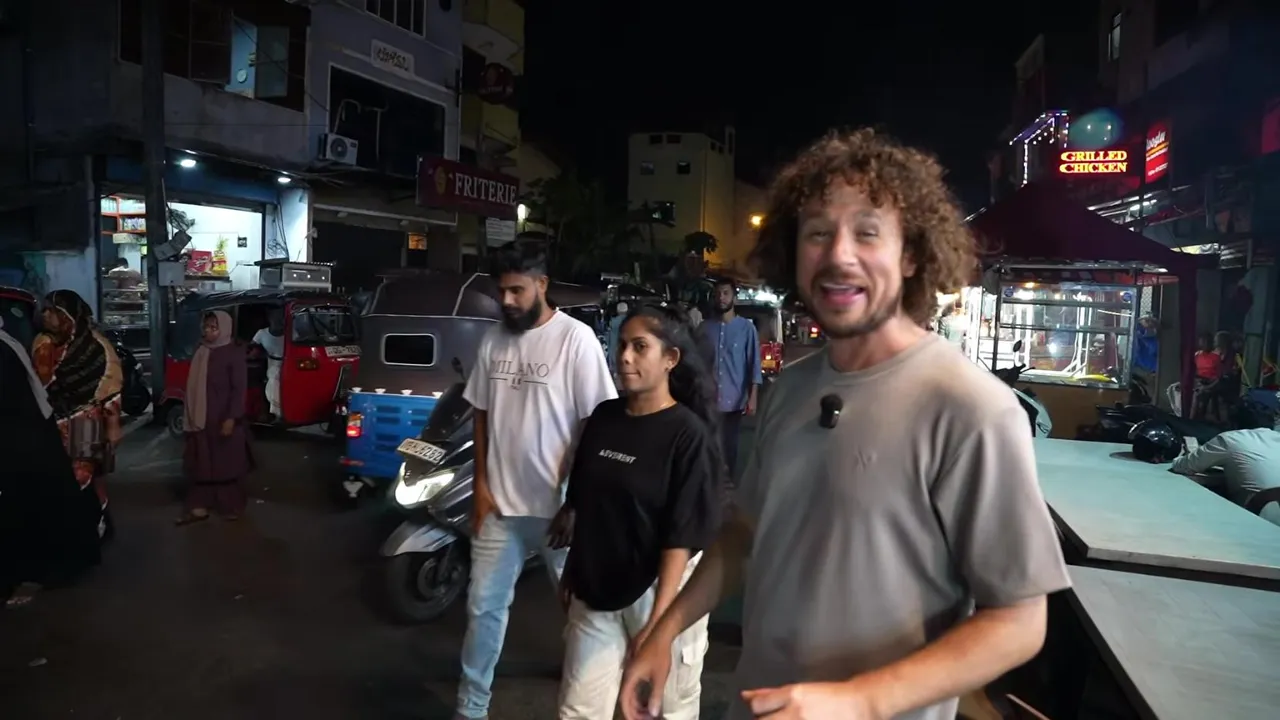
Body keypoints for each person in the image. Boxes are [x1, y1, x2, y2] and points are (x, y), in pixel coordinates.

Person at [620, 129, 1070, 720]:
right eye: (817, 233)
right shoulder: (791, 388)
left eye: (867, 232)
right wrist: (665, 632)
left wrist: (859, 699)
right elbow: (743, 535)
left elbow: (1019, 620)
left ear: (911, 255)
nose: (838, 255)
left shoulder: (972, 408)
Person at [454, 249, 616, 720]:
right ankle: (471, 707)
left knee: (582, 614)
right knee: (483, 609)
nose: (507, 300)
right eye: (501, 291)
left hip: (558, 511)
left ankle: (591, 702)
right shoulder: (494, 339)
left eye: (516, 290)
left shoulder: (575, 340)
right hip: (499, 507)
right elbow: (481, 412)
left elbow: (595, 424)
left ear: (542, 284)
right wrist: (481, 485)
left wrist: (576, 501)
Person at [550, 303, 723, 719]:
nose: (625, 356)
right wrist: (573, 569)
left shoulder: (688, 436)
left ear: (670, 359)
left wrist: (660, 626)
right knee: (577, 710)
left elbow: (681, 538)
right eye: (622, 345)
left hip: (663, 589)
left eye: (640, 347)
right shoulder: (604, 418)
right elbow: (586, 499)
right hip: (598, 586)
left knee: (660, 710)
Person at [1, 316, 102, 608]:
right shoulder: (10, 343)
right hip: (29, 433)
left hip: (24, 438)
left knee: (29, 506)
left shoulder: (4, 350)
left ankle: (32, 576)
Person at [32, 289, 124, 540]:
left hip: (86, 421)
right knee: (65, 478)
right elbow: (40, 382)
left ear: (68, 315)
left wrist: (113, 425)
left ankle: (90, 529)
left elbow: (111, 387)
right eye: (45, 310)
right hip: (53, 421)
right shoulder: (43, 343)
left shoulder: (96, 346)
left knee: (83, 476)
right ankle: (87, 527)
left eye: (52, 311)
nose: (46, 315)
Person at [176, 310, 254, 525]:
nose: (208, 332)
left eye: (214, 328)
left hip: (223, 418)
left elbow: (238, 390)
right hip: (201, 418)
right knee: (201, 462)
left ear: (225, 329)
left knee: (226, 464)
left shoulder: (233, 353)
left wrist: (231, 418)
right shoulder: (201, 350)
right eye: (206, 327)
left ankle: (231, 506)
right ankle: (199, 506)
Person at [1171, 405, 1280, 523]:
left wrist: (1181, 455)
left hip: (1259, 520)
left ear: (1234, 423)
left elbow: (1184, 466)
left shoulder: (1230, 439)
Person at [698, 278, 762, 479]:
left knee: (730, 442)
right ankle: (712, 480)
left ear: (734, 297)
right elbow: (696, 362)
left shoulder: (746, 329)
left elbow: (753, 363)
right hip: (708, 397)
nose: (721, 298)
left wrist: (753, 396)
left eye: (726, 293)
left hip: (734, 397)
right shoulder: (704, 328)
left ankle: (728, 480)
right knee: (709, 442)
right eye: (718, 294)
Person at [251, 310, 285, 419]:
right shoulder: (262, 333)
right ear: (269, 318)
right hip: (271, 364)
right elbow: (252, 349)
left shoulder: (290, 332)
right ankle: (276, 413)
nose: (278, 320)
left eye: (280, 318)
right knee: (273, 379)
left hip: (287, 364)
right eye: (275, 317)